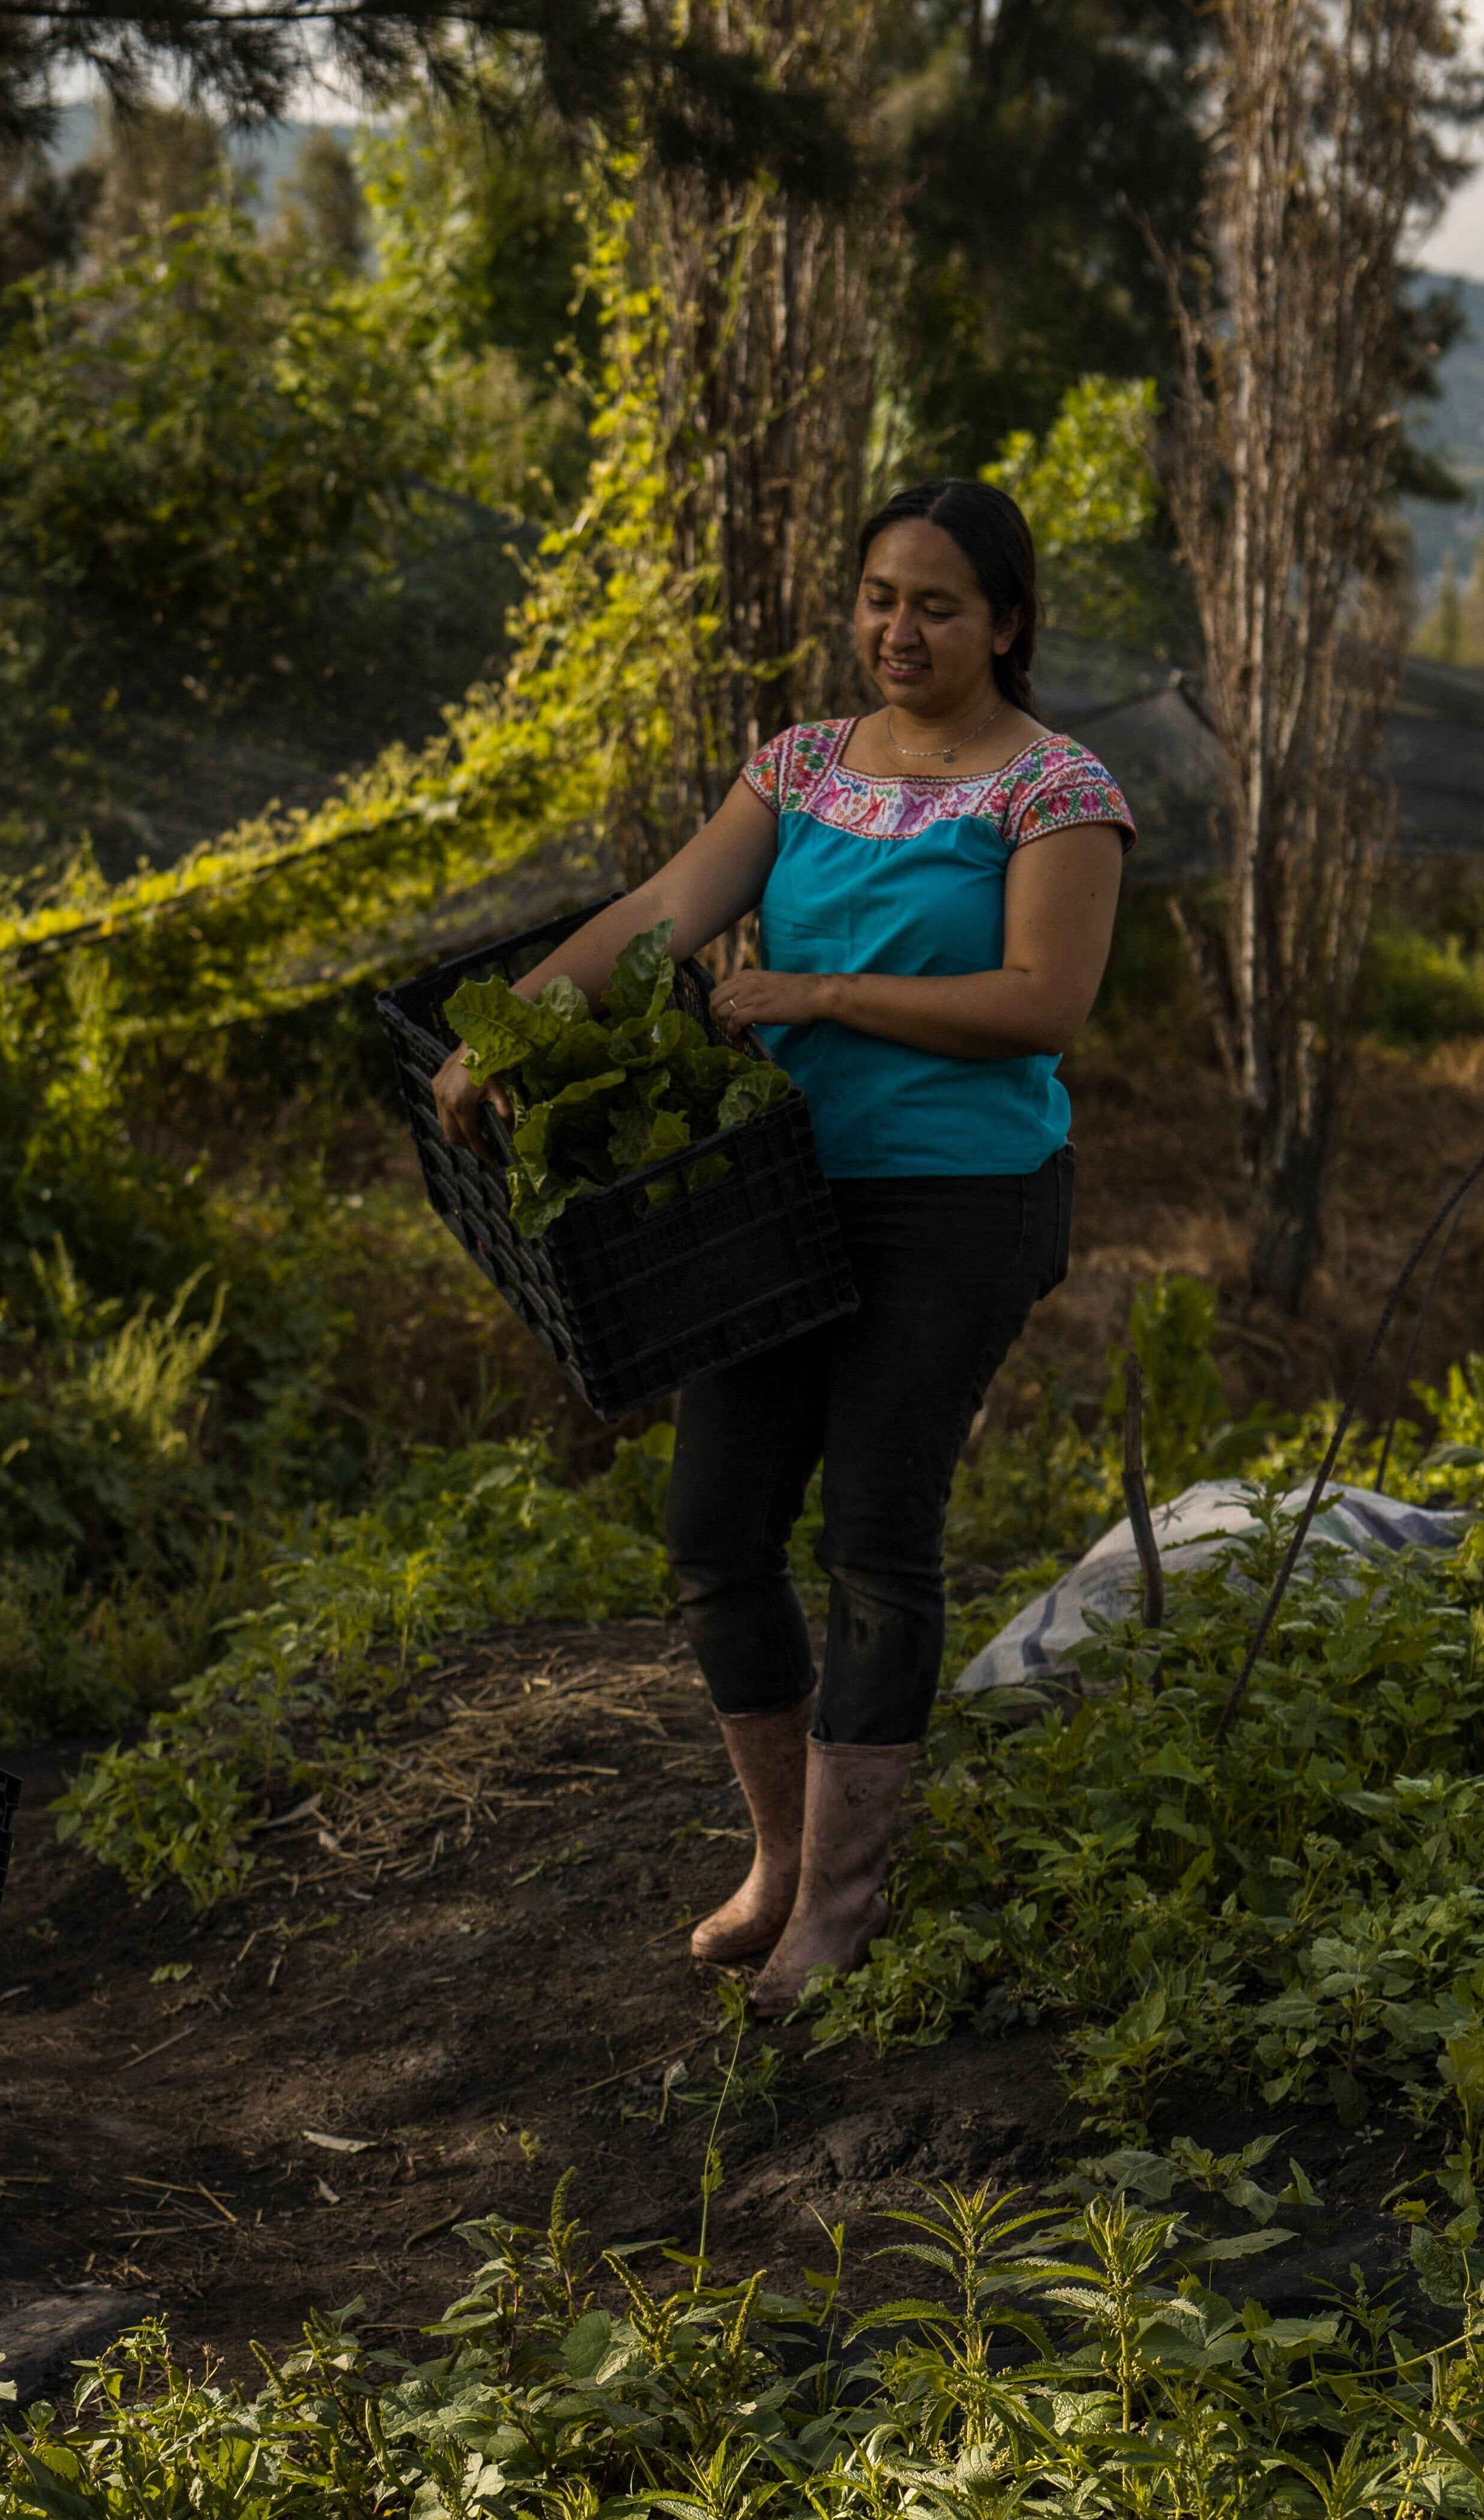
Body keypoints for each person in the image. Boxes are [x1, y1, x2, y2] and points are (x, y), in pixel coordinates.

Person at [432, 474, 1131, 2005]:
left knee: (876, 1534)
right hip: (778, 1200)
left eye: (937, 604)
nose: (899, 628)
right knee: (713, 1528)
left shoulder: (1056, 792)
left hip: (959, 1202)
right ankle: (777, 1858)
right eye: (880, 595)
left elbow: (1041, 1004)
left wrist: (817, 995)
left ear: (1004, 624)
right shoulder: (804, 766)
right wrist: (513, 1032)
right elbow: (661, 913)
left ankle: (841, 1903)